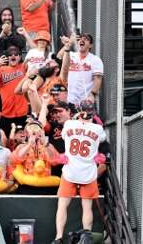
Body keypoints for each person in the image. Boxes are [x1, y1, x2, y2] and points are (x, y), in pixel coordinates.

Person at [52, 103, 107, 244]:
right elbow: (102, 138)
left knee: (62, 205)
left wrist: (78, 119)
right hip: (88, 172)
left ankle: (58, 237)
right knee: (86, 207)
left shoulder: (70, 124)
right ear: (92, 113)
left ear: (79, 112)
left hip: (70, 170)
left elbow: (64, 136)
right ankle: (86, 236)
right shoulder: (98, 128)